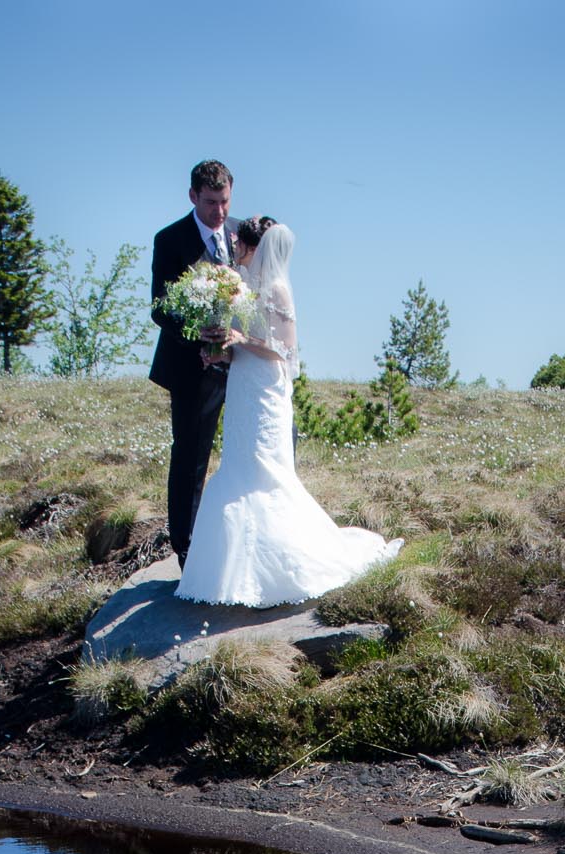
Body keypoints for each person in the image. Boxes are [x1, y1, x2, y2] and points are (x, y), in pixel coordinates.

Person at [176, 220, 401, 608]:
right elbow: (239, 345)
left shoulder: (277, 288)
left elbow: (284, 350)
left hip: (266, 388)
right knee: (239, 469)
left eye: (240, 244)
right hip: (243, 384)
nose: (235, 247)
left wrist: (240, 338)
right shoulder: (241, 288)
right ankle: (233, 576)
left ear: (254, 247)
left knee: (265, 471)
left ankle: (281, 570)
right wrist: (218, 351)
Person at [150, 159, 239, 568]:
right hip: (191, 370)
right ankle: (185, 550)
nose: (218, 212)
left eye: (223, 202)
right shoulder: (170, 240)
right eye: (209, 203)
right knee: (190, 458)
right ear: (192, 197)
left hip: (241, 365)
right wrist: (196, 330)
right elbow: (160, 309)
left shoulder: (241, 232)